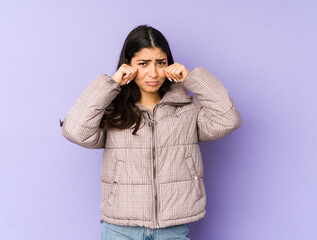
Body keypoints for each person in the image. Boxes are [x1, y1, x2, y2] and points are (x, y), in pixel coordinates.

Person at [60, 24, 242, 240]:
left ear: (169, 64)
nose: (153, 73)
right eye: (143, 64)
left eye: (160, 63)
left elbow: (228, 119)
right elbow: (74, 131)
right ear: (128, 66)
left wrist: (192, 78)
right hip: (120, 227)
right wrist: (111, 84)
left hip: (172, 227)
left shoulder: (187, 109)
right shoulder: (114, 111)